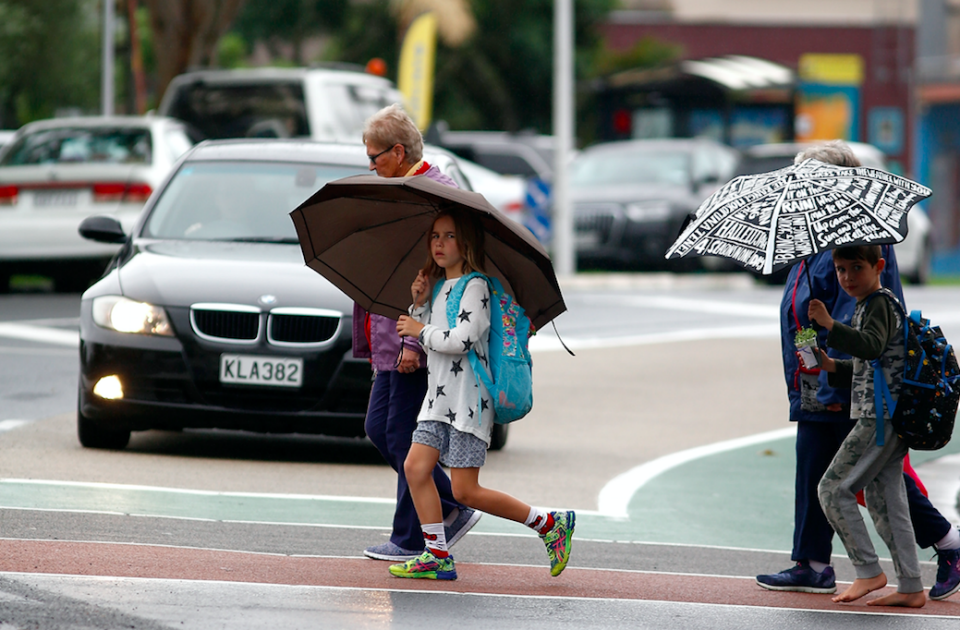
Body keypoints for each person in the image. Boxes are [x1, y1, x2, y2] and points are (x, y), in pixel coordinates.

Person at [756, 141, 960, 601]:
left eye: (807, 181)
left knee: (870, 481)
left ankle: (948, 544)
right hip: (819, 381)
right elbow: (805, 317)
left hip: (855, 387)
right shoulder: (815, 246)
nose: (799, 189)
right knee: (816, 464)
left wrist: (825, 351)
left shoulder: (853, 247)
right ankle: (811, 562)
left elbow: (860, 326)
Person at [391, 209, 575, 580]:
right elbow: (434, 335)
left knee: (466, 491)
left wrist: (419, 327)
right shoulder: (440, 286)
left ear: (468, 243)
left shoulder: (477, 287)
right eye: (435, 237)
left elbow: (460, 340)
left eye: (450, 237)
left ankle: (549, 522)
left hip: (468, 402)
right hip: (438, 400)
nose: (439, 244)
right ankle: (436, 554)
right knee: (415, 467)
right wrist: (421, 302)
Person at [355, 104, 480, 562]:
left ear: (399, 150)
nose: (370, 165)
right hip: (392, 334)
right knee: (380, 428)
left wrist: (411, 342)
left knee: (402, 438)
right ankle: (442, 508)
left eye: (375, 157)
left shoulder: (433, 196)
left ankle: (419, 530)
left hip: (416, 340)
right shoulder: (402, 187)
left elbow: (431, 275)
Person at [808, 245, 922, 606]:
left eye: (857, 267)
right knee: (886, 500)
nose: (847, 277)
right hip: (884, 413)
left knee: (832, 489)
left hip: (880, 417)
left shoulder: (880, 303)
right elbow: (868, 364)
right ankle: (911, 586)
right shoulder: (867, 305)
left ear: (880, 266)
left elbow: (871, 347)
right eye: (840, 270)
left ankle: (868, 570)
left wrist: (830, 325)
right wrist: (830, 365)